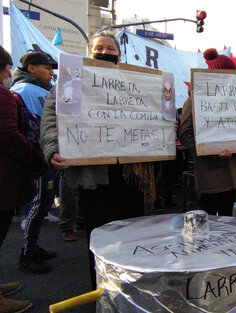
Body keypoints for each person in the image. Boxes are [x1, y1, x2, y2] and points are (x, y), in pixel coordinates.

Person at [40, 31, 147, 289]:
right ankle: (102, 292)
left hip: (133, 176)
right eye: (100, 47)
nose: (106, 52)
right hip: (95, 178)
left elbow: (153, 116)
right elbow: (51, 121)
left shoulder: (136, 83)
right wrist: (53, 149)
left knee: (134, 239)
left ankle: (131, 291)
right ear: (90, 53)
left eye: (111, 49)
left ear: (119, 55)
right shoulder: (70, 82)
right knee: (101, 240)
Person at [179, 48, 236, 216]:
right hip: (211, 175)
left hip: (234, 175)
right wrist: (212, 152)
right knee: (208, 222)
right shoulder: (194, 98)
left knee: (227, 219)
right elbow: (185, 134)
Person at [0, 45, 41, 313]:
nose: (8, 73)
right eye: (6, 67)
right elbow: (10, 137)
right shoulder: (4, 96)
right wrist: (37, 158)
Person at [10, 51, 59, 274]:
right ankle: (27, 253)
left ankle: (33, 246)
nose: (51, 72)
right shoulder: (22, 91)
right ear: (31, 68)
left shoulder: (43, 89)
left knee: (44, 204)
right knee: (38, 205)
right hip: (37, 158)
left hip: (45, 156)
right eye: (46, 67)